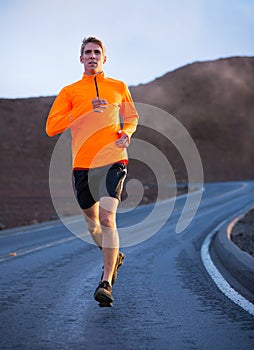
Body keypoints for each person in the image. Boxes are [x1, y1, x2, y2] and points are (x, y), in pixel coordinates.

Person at [46, 37, 138, 306]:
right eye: (87, 52)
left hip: (113, 159)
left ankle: (106, 282)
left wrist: (127, 133)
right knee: (93, 222)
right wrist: (86, 109)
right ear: (81, 59)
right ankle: (114, 254)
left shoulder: (118, 87)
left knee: (109, 219)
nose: (92, 56)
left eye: (97, 52)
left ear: (104, 58)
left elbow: (131, 117)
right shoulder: (70, 92)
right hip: (83, 165)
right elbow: (51, 127)